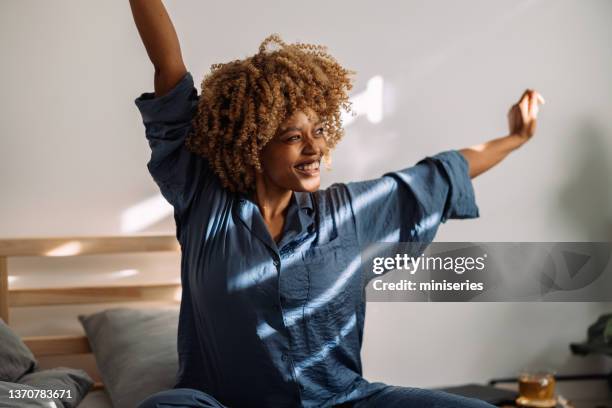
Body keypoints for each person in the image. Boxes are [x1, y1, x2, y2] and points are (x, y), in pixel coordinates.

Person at [129, 1, 545, 407]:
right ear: (254, 145)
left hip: (340, 400)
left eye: (320, 130)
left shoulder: (349, 213)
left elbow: (440, 173)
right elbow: (170, 70)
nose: (315, 148)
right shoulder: (205, 201)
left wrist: (515, 138)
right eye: (294, 137)